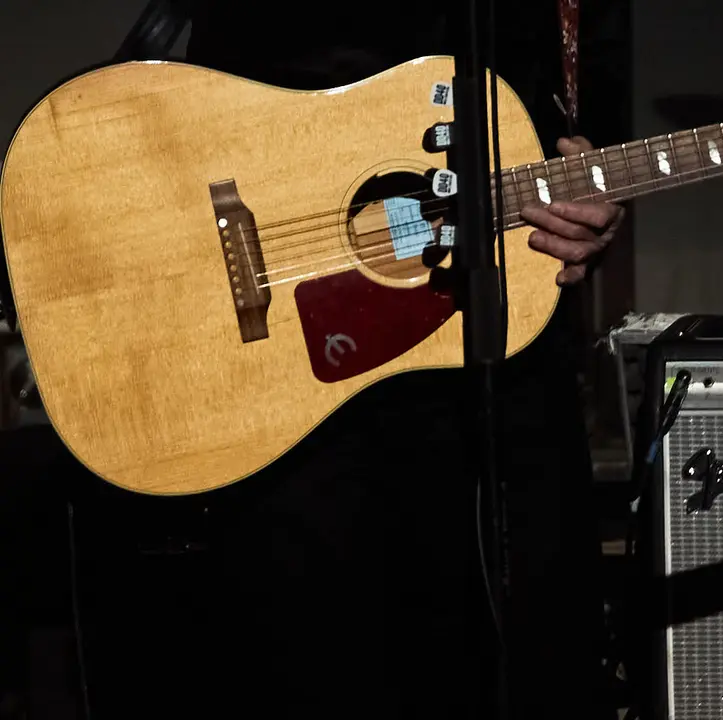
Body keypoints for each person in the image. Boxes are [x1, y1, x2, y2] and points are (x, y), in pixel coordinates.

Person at [75, 2, 625, 719]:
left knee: (538, 662)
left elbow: (582, 133)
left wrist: (595, 200)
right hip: (302, 379)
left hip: (506, 368)